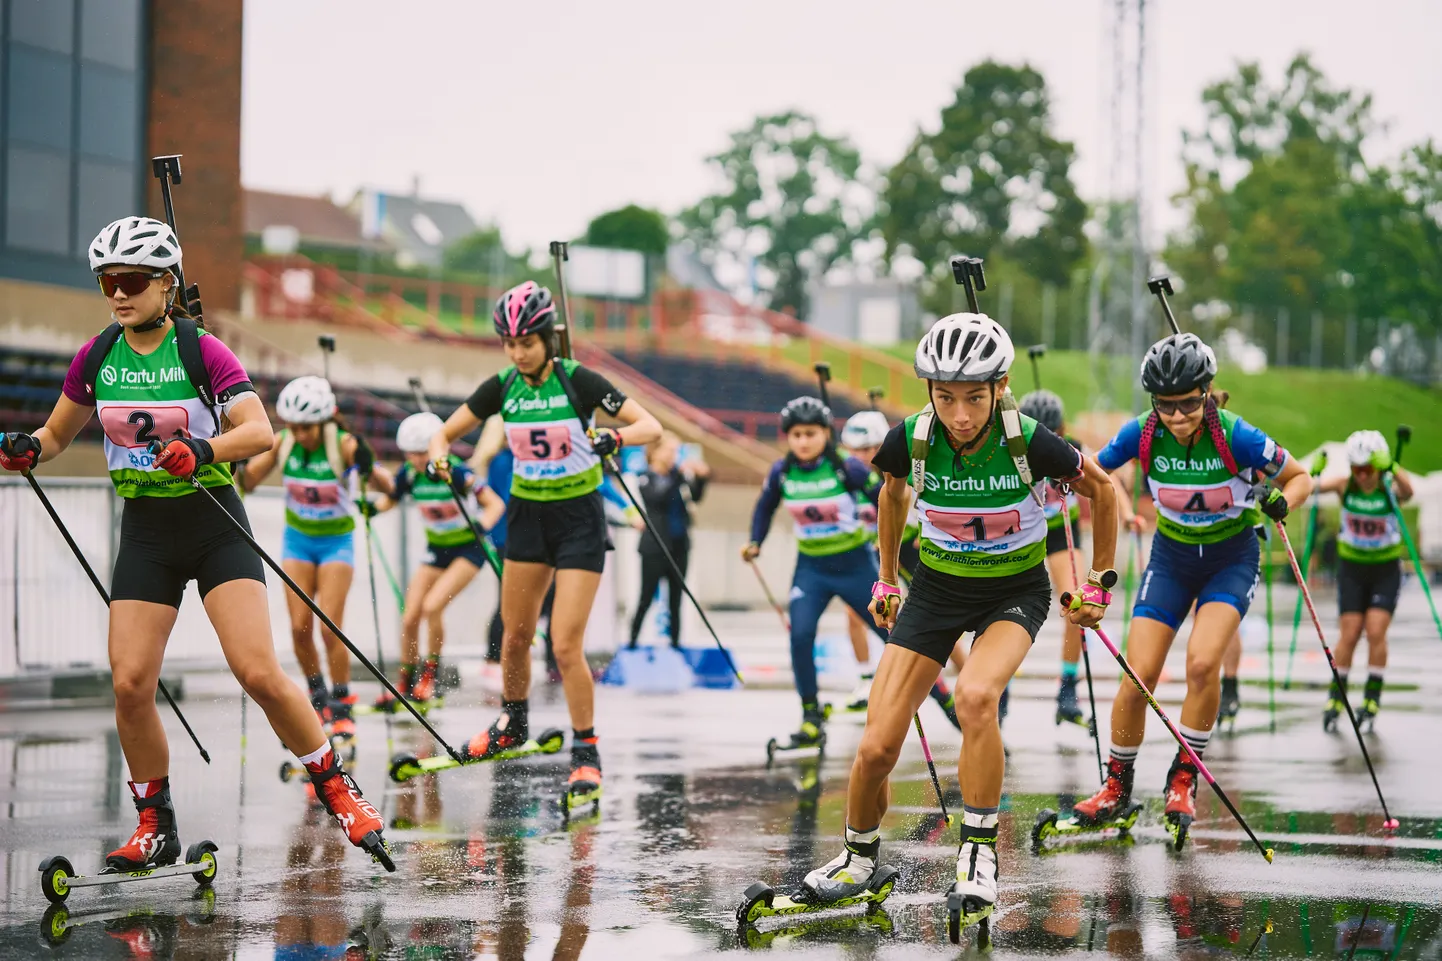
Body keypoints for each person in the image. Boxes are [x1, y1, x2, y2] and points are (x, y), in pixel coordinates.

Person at [0, 216, 388, 868]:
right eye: (106, 282)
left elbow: (259, 430)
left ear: (165, 283)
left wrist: (201, 447)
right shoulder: (98, 355)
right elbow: (58, 434)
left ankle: (337, 787)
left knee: (259, 671)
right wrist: (29, 448)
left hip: (213, 523)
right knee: (128, 683)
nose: (117, 293)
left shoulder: (201, 349)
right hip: (147, 531)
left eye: (129, 280)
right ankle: (155, 823)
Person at [802, 312, 1118, 922]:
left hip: (1013, 593)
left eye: (975, 397)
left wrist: (1099, 582)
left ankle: (978, 850)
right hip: (937, 591)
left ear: (1000, 386)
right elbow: (891, 492)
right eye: (945, 398)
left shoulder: (1029, 439)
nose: (961, 415)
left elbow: (1102, 490)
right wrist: (888, 577)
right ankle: (859, 860)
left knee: (975, 696)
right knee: (874, 748)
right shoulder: (915, 437)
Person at [1076, 332, 1310, 845]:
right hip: (1172, 558)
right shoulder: (1141, 434)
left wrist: (1281, 501)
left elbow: (1302, 478)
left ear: (1206, 392)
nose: (1178, 416)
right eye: (1167, 405)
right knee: (1138, 674)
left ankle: (1183, 780)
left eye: (1188, 403)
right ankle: (1116, 788)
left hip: (1231, 558)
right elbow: (1091, 471)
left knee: (1203, 664)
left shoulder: (1236, 435)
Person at [436, 281, 662, 808]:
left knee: (564, 642)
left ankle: (586, 752)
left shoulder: (578, 380)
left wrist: (616, 438)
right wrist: (438, 452)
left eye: (527, 343)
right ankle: (512, 724)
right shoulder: (502, 386)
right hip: (527, 518)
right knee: (514, 636)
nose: (518, 352)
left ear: (547, 338)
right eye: (509, 343)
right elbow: (445, 433)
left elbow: (650, 424)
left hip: (579, 520)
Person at [239, 376, 386, 747]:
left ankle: (342, 705)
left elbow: (387, 484)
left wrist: (369, 470)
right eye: (294, 426)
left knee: (328, 628)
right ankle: (318, 699)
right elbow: (248, 481)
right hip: (298, 543)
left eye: (306, 427)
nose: (299, 433)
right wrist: (234, 454)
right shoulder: (285, 443)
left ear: (323, 422)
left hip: (336, 543)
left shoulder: (344, 445)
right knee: (299, 629)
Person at [743, 396, 889, 750]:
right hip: (812, 571)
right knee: (800, 635)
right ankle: (811, 719)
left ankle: (945, 701)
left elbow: (886, 500)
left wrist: (886, 538)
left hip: (855, 566)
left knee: (896, 637)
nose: (803, 441)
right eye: (796, 435)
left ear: (826, 434)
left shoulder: (847, 468)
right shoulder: (781, 471)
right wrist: (755, 541)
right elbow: (765, 506)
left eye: (811, 433)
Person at [364, 411, 504, 709]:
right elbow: (393, 497)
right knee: (410, 615)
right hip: (436, 550)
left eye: (421, 453)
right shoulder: (411, 474)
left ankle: (431, 677)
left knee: (432, 608)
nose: (415, 460)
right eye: (410, 454)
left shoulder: (456, 472)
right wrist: (373, 509)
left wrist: (482, 525)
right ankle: (405, 682)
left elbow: (495, 504)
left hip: (468, 550)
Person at [1316, 429, 1412, 729]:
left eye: (1368, 468)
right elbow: (1311, 487)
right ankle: (1336, 694)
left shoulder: (1387, 487)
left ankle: (1372, 695)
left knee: (1374, 630)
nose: (1363, 475)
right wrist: (1314, 475)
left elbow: (1408, 493)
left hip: (1385, 569)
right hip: (1352, 569)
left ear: (1379, 466)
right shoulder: (1346, 486)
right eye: (1356, 468)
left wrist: (1393, 468)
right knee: (1349, 632)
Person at [1018, 388, 1091, 728]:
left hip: (1062, 531)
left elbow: (1102, 482)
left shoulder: (1072, 447)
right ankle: (999, 689)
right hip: (1022, 534)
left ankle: (1068, 687)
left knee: (1076, 603)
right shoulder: (1012, 450)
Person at [628, 431, 709, 649]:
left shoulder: (678, 476)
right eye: (671, 451)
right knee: (645, 598)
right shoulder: (646, 477)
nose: (675, 456)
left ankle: (675, 645)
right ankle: (632, 643)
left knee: (676, 600)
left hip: (679, 545)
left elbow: (696, 496)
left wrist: (701, 477)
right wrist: (677, 476)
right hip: (654, 547)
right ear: (657, 452)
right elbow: (657, 499)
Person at [839, 410, 889, 709]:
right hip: (867, 554)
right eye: (852, 449)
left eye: (864, 450)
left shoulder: (891, 474)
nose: (856, 456)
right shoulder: (848, 475)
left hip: (901, 551)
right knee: (854, 614)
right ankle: (866, 677)